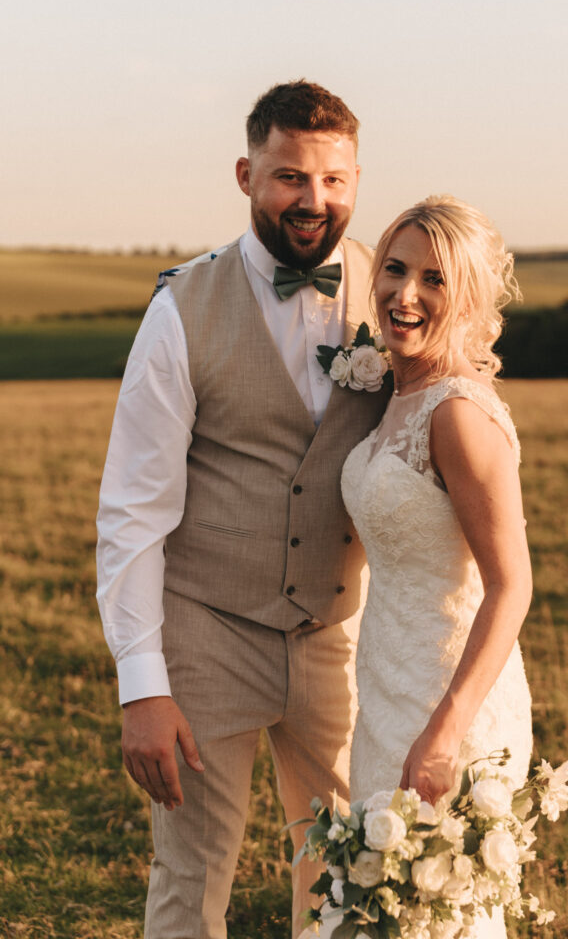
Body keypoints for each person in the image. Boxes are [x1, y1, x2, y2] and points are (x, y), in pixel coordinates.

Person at [96, 80, 390, 939]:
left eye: (332, 181)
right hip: (207, 629)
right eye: (289, 177)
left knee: (347, 868)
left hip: (340, 631)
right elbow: (132, 512)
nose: (312, 200)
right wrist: (141, 686)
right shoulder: (179, 309)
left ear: (356, 179)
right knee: (191, 878)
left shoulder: (393, 291)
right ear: (246, 174)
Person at [310, 195, 533, 939]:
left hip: (447, 697)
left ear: (467, 298)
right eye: (395, 269)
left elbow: (511, 584)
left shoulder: (460, 415)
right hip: (384, 681)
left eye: (433, 279)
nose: (404, 294)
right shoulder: (392, 392)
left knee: (441, 919)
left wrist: (447, 730)